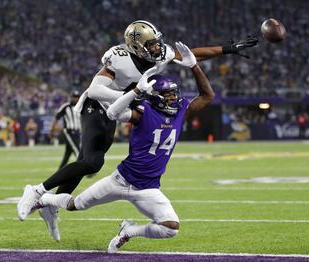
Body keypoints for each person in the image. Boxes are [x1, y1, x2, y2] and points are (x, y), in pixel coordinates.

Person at [17, 20, 257, 240]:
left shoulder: (158, 55)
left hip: (117, 108)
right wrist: (132, 94)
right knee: (92, 162)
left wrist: (228, 48)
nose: (157, 49)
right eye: (151, 45)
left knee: (86, 162)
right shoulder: (119, 57)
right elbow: (95, 90)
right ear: (136, 46)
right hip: (97, 106)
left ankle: (50, 207)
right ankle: (37, 191)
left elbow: (189, 56)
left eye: (157, 43)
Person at [29, 42, 214, 252]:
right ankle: (43, 199)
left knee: (171, 228)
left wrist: (194, 66)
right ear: (156, 98)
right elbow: (113, 114)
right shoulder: (142, 112)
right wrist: (135, 91)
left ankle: (128, 231)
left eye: (174, 94)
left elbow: (208, 96)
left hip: (148, 188)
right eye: (168, 95)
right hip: (120, 180)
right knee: (74, 205)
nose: (174, 99)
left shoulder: (182, 110)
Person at [49, 90, 81, 169]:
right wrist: (51, 130)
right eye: (74, 97)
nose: (76, 99)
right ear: (71, 97)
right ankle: (85, 170)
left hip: (77, 132)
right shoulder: (65, 106)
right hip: (69, 132)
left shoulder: (81, 106)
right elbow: (56, 118)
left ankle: (60, 169)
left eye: (77, 97)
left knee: (68, 153)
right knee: (77, 150)